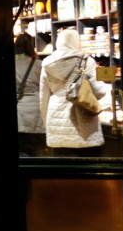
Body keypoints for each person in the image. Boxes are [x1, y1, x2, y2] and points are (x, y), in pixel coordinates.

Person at [39, 28, 109, 158]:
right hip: (84, 120)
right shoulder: (86, 61)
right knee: (89, 170)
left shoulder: (47, 63)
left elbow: (43, 97)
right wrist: (105, 87)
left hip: (57, 120)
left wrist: (47, 122)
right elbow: (98, 92)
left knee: (63, 173)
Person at [14, 33, 45, 157]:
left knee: (21, 145)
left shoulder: (10, 63)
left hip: (18, 107)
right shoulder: (39, 64)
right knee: (35, 148)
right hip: (35, 108)